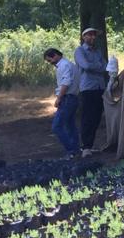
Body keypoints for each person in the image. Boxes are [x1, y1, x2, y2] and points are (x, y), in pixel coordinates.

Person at [75, 27, 107, 156]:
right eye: (90, 35)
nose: (93, 37)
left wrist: (99, 67)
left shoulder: (98, 51)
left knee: (97, 117)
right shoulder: (79, 51)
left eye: (94, 35)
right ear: (84, 37)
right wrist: (99, 67)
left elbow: (106, 66)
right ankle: (85, 147)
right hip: (87, 88)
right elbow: (86, 66)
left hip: (100, 87)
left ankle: (90, 145)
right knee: (87, 117)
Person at [43, 48, 80, 157]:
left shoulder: (63, 66)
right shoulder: (70, 64)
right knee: (70, 125)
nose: (50, 63)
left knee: (57, 126)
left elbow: (66, 83)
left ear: (55, 55)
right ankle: (76, 149)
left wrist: (59, 98)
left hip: (67, 98)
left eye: (50, 60)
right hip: (74, 97)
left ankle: (71, 150)